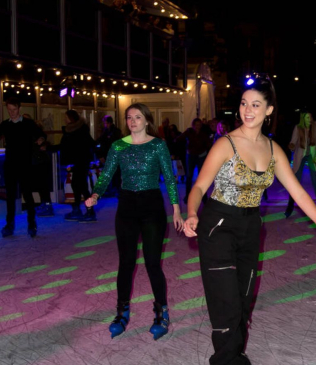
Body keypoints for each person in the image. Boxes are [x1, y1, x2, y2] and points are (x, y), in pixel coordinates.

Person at [183, 77, 316, 365]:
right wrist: (192, 212)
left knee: (242, 305)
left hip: (250, 228)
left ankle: (236, 364)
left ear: (269, 110)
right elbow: (198, 186)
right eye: (244, 103)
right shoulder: (226, 144)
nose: (248, 110)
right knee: (226, 307)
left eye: (256, 104)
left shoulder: (273, 150)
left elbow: (298, 191)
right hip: (218, 225)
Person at [85, 104, 183, 339]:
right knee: (126, 263)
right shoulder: (118, 146)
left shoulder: (157, 145)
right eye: (129, 117)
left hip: (152, 207)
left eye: (138, 117)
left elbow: (169, 178)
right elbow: (107, 174)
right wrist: (96, 194)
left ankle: (162, 312)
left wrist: (177, 210)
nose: (132, 121)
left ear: (147, 120)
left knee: (152, 263)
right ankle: (122, 312)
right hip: (127, 207)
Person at [0, 96, 42, 237]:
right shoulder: (5, 125)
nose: (12, 112)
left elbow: (40, 134)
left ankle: (31, 224)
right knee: (10, 196)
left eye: (14, 109)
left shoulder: (28, 123)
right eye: (9, 110)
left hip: (25, 165)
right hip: (10, 165)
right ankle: (9, 225)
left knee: (27, 195)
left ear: (19, 108)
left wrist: (41, 139)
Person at [284, 110, 316, 217]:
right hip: (300, 155)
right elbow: (293, 142)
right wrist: (291, 146)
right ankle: (290, 205)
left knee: (315, 180)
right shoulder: (298, 128)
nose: (310, 120)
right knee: (295, 182)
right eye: (307, 118)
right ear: (303, 119)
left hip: (312, 155)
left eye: (311, 117)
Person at [59, 110, 96, 222]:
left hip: (81, 161)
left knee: (81, 186)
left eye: (66, 117)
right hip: (78, 161)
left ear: (71, 118)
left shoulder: (78, 130)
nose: (64, 119)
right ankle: (78, 209)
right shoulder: (72, 130)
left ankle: (89, 211)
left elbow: (87, 144)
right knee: (76, 185)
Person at [181, 118, 212, 202]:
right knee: (189, 176)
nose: (198, 126)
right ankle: (188, 196)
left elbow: (208, 143)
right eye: (196, 125)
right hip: (191, 155)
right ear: (193, 125)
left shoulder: (203, 133)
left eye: (199, 125)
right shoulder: (189, 131)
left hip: (201, 155)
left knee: (201, 177)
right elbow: (180, 138)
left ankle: (204, 197)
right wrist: (187, 147)